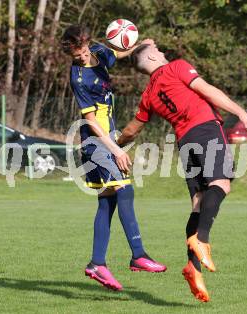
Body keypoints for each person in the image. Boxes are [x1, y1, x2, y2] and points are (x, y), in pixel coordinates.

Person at [117, 43, 247, 302]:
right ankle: (201, 240)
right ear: (150, 56)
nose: (162, 50)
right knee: (222, 184)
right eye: (157, 49)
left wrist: (115, 146)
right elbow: (209, 91)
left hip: (185, 140)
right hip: (205, 129)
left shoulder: (148, 94)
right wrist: (240, 111)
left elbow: (132, 130)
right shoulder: (177, 67)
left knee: (197, 202)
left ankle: (194, 267)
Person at [60, 26, 166, 291]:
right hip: (96, 142)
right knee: (124, 188)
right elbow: (92, 122)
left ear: (87, 44)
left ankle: (97, 263)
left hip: (108, 137)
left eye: (83, 51)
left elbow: (118, 54)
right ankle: (139, 254)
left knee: (107, 200)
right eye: (77, 55)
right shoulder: (79, 78)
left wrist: (141, 44)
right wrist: (116, 149)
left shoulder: (97, 51)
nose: (82, 58)